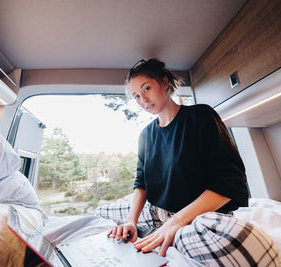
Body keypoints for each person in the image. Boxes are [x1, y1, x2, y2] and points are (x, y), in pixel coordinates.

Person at [105, 58, 250, 256]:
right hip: (157, 213)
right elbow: (141, 184)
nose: (143, 100)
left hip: (200, 216)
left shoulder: (201, 117)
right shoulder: (145, 135)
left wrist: (177, 222)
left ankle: (167, 235)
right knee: (101, 215)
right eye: (136, 96)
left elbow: (229, 182)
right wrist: (131, 220)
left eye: (146, 89)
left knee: (238, 245)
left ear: (164, 81)